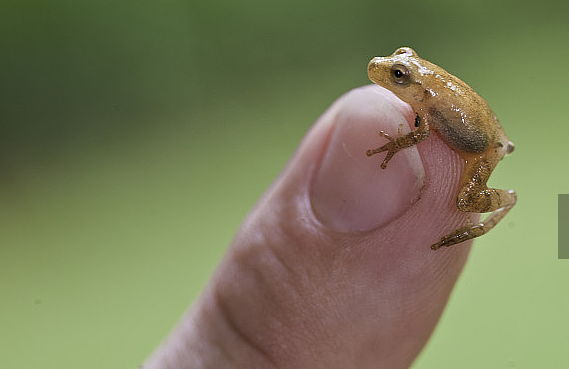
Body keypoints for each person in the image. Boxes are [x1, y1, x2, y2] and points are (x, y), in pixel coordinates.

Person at [144, 85, 475, 368]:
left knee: (462, 203)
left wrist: (392, 146)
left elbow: (419, 134)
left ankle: (495, 213)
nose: (386, 74)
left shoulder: (428, 103)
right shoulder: (426, 98)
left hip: (477, 148)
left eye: (399, 77)